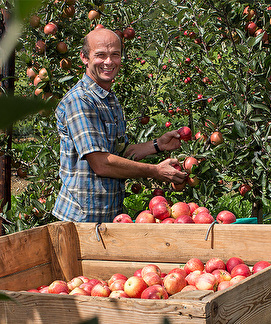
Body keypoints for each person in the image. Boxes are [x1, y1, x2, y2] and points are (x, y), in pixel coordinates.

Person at [53, 28, 187, 223]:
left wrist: (158, 144)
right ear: (84, 57)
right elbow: (101, 163)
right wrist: (155, 171)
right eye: (100, 55)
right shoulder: (80, 101)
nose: (109, 62)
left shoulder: (109, 99)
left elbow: (119, 153)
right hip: (80, 221)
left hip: (110, 216)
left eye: (115, 55)